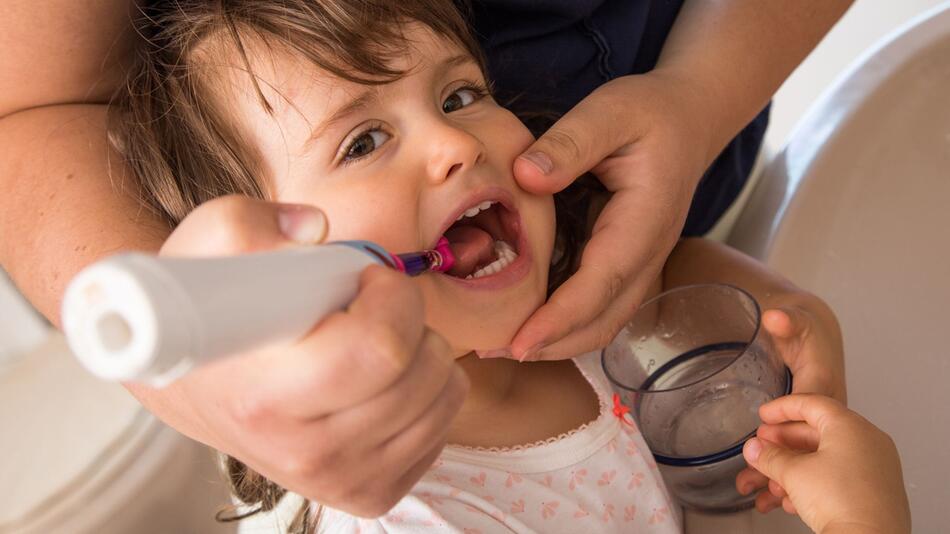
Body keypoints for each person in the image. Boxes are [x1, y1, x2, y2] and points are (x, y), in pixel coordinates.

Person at [0, 0, 852, 518]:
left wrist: (777, 305)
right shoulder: (424, 515)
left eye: (461, 94)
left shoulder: (586, 294)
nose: (451, 143)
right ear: (261, 256)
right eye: (365, 141)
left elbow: (676, 279)